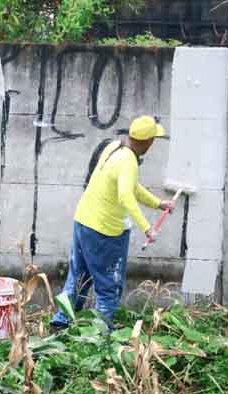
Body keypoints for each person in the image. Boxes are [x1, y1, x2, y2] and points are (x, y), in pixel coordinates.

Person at [49, 116, 176, 330]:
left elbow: (131, 187)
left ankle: (62, 321)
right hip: (104, 231)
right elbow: (126, 195)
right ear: (148, 141)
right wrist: (147, 228)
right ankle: (101, 334)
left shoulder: (115, 147)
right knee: (109, 285)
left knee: (79, 277)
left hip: (84, 221)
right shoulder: (129, 161)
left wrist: (158, 204)